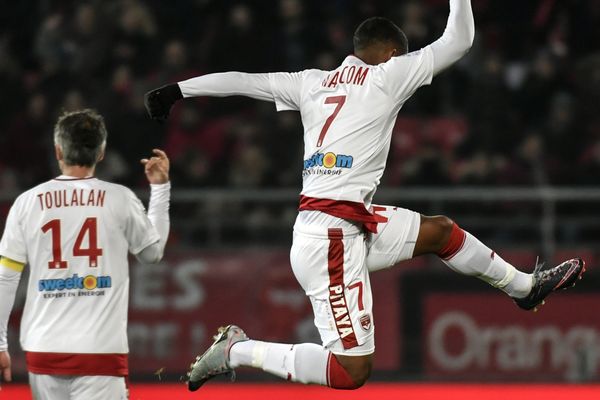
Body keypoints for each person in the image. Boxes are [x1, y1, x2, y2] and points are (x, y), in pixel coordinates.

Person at [145, 0, 584, 391]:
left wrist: (178, 89)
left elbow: (243, 80)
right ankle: (236, 351)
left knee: (440, 232)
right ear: (392, 51)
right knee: (350, 372)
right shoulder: (387, 75)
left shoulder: (311, 81)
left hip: (353, 221)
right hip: (332, 240)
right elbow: (460, 39)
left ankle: (524, 287)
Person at [0, 109, 171, 399]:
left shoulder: (27, 203)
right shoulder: (120, 198)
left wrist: (0, 344)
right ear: (101, 152)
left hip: (44, 348)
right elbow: (152, 253)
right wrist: (160, 189)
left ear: (57, 150)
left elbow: (5, 277)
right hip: (100, 349)